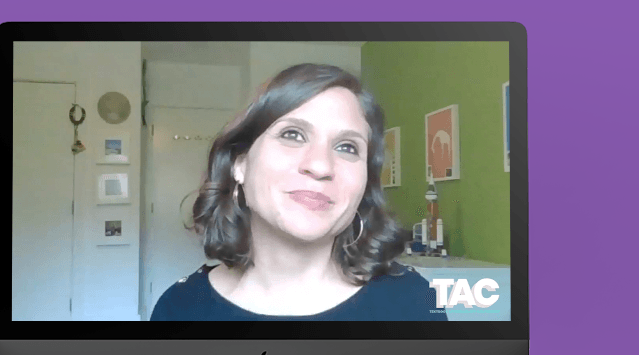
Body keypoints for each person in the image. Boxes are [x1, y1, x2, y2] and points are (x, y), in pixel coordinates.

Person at [150, 63, 447, 321]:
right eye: (292, 135)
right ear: (240, 165)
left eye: (347, 147)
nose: (320, 166)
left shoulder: (412, 303)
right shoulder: (180, 308)